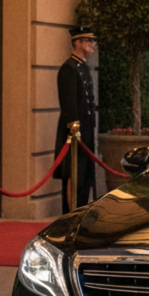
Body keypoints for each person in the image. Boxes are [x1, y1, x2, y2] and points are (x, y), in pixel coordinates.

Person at [54, 24, 97, 214]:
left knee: (85, 176)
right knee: (74, 175)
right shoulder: (68, 69)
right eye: (88, 40)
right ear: (77, 42)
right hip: (74, 132)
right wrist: (75, 130)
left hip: (86, 130)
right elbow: (69, 105)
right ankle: (70, 216)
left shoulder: (83, 67)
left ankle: (81, 213)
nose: (92, 44)